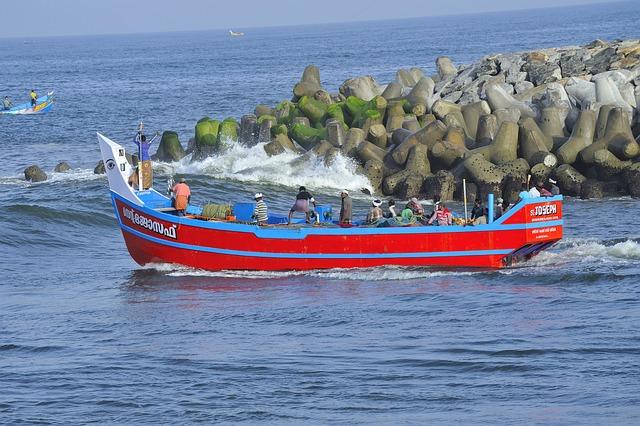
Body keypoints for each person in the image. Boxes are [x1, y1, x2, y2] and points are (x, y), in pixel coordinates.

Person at [133, 122, 159, 190]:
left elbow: (134, 140)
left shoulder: (140, 144)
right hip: (148, 160)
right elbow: (152, 140)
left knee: (140, 173)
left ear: (140, 139)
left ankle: (140, 186)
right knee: (147, 174)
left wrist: (138, 133)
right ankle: (146, 187)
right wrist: (156, 135)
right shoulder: (147, 144)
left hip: (142, 160)